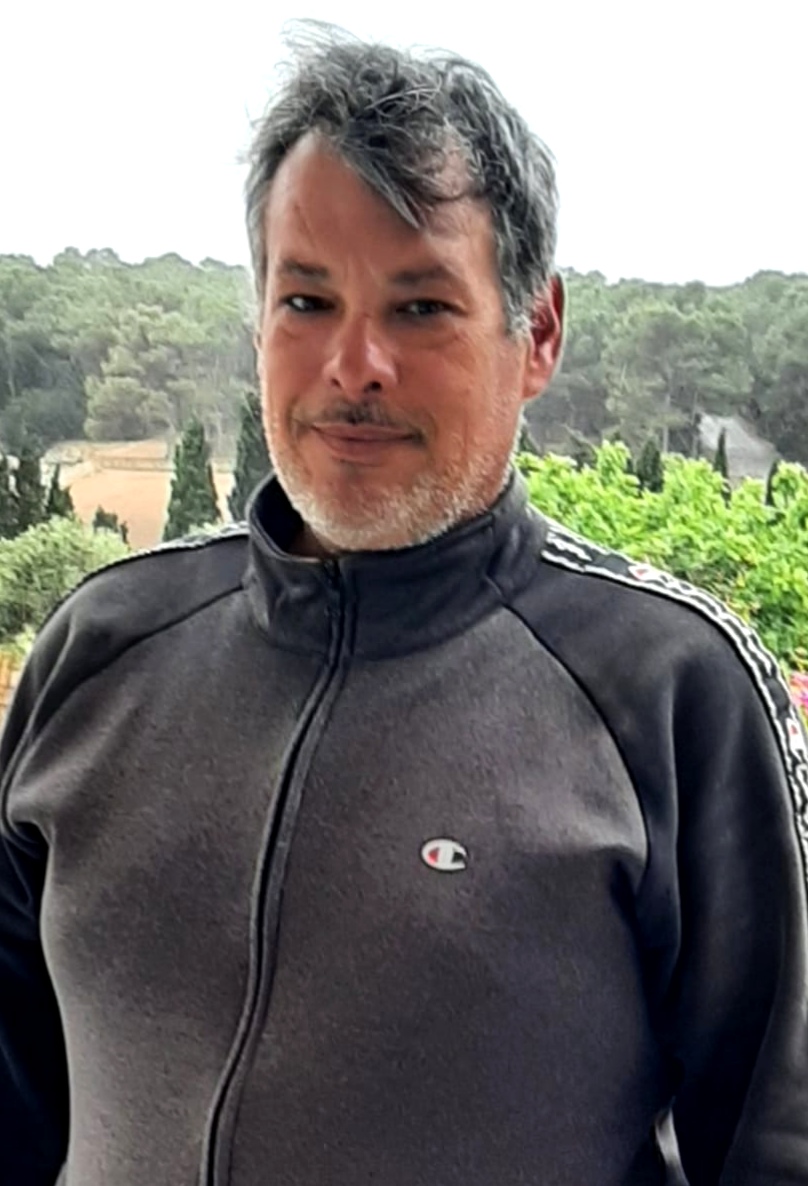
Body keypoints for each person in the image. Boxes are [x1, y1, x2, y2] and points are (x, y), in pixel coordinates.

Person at [2, 24, 807, 1186]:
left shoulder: (668, 693)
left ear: (536, 333)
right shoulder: (100, 649)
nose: (354, 365)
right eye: (306, 299)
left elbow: (775, 1140)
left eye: (420, 307)